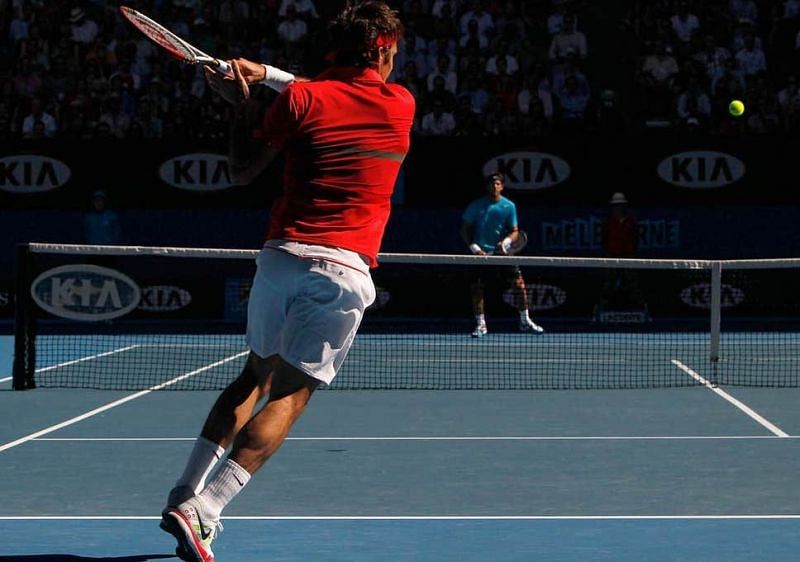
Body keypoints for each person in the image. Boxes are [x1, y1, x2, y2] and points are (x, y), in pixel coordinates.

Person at [158, 3, 414, 562]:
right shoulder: (401, 104)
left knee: (254, 375)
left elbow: (243, 169)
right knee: (291, 393)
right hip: (343, 270)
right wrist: (263, 79)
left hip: (280, 259)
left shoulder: (302, 99)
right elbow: (332, 94)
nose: (397, 60)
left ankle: (184, 490)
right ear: (380, 51)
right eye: (394, 51)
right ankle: (206, 509)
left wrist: (241, 103)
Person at [460, 172, 544, 338]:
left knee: (519, 285)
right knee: (477, 289)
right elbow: (464, 229)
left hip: (503, 254)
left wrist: (505, 243)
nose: (494, 186)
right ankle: (481, 324)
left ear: (502, 186)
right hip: (481, 254)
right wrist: (474, 247)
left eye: (498, 184)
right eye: (492, 184)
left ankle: (525, 320)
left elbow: (515, 232)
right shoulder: (476, 205)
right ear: (487, 186)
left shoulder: (509, 206)